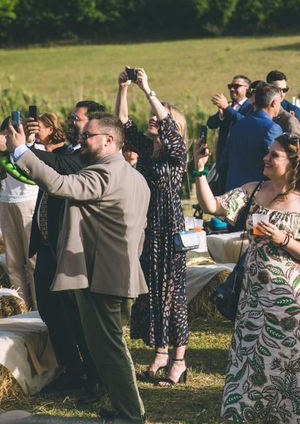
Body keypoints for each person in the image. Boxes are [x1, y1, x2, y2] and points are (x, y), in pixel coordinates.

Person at [7, 113, 150, 423]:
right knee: (105, 349)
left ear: (109, 140)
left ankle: (130, 414)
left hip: (104, 279)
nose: (81, 141)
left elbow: (59, 184)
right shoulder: (134, 176)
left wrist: (21, 151)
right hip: (117, 275)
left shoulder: (105, 174)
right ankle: (122, 406)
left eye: (88, 136)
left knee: (110, 351)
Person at [193, 133, 300, 423]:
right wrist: (199, 168)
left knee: (285, 366)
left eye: (274, 155)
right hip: (253, 298)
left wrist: (282, 238)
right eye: (268, 153)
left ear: (293, 163)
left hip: (288, 302)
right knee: (248, 362)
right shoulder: (254, 190)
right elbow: (211, 206)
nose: (266, 158)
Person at [23, 103, 104, 401]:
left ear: (93, 124)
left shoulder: (85, 156)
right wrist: (29, 146)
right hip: (47, 245)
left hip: (71, 248)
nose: (70, 121)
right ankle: (71, 370)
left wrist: (21, 149)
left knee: (78, 315)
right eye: (70, 117)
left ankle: (95, 377)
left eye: (76, 118)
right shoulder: (66, 149)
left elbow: (56, 167)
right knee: (51, 311)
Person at [114, 67, 189, 387]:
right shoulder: (146, 149)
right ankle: (159, 352)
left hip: (169, 225)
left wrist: (149, 90)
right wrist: (124, 89)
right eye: (154, 117)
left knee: (173, 293)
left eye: (160, 119)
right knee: (153, 293)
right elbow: (122, 127)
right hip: (147, 224)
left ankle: (179, 360)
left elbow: (170, 127)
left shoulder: (176, 152)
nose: (153, 120)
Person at [0, 117, 39, 309]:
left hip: (28, 202)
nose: (9, 136)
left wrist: (28, 142)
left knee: (32, 262)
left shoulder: (32, 149)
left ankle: (41, 309)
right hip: (5, 202)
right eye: (6, 132)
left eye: (13, 132)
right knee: (13, 263)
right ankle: (22, 309)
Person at [221, 82, 283, 192]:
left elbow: (224, 160)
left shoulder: (238, 125)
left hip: (233, 190)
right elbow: (278, 162)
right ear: (273, 103)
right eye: (279, 102)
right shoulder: (272, 128)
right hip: (258, 192)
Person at [206, 75, 252, 192]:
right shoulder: (229, 106)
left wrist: (227, 108)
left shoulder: (251, 106)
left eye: (236, 86)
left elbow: (246, 123)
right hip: (223, 160)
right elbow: (211, 123)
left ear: (247, 88)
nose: (232, 89)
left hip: (240, 161)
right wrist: (221, 114)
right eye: (230, 86)